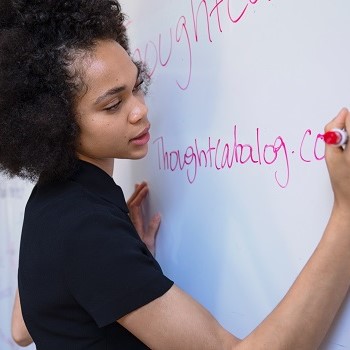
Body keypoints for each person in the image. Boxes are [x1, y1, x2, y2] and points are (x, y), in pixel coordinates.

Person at [3, 0, 350, 349]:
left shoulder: (51, 197)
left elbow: (21, 329)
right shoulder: (86, 227)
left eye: (136, 86)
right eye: (113, 104)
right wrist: (345, 215)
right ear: (55, 123)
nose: (140, 109)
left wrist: (119, 273)